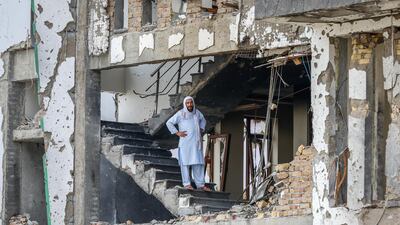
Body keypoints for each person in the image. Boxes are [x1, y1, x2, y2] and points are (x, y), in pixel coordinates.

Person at [166, 96, 211, 191]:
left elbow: (203, 120)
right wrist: (177, 132)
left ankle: (201, 185)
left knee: (198, 164)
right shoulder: (180, 114)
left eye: (191, 103)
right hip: (185, 144)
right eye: (188, 103)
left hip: (196, 143)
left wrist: (202, 128)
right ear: (185, 104)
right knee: (185, 164)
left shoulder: (197, 113)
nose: (190, 105)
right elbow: (169, 122)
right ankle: (187, 184)